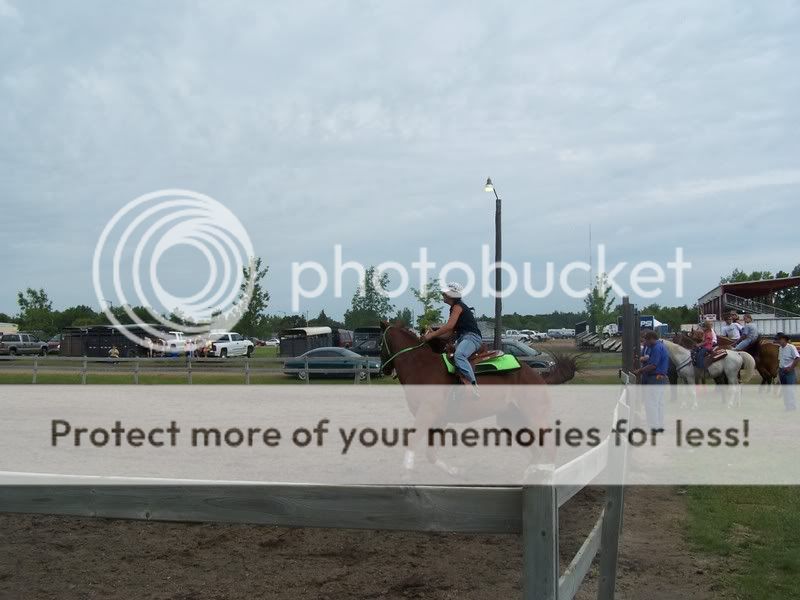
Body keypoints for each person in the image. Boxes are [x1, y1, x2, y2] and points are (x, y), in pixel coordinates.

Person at [422, 282, 482, 394]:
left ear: (451, 295)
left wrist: (432, 335)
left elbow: (449, 326)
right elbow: (448, 334)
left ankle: (472, 383)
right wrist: (434, 334)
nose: (442, 294)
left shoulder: (458, 307)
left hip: (472, 338)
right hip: (464, 338)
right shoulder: (454, 308)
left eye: (444, 293)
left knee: (459, 355)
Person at [634, 330, 669, 432]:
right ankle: (659, 425)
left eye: (646, 340)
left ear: (651, 339)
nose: (645, 343)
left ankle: (654, 426)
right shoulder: (656, 347)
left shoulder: (656, 348)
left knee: (651, 403)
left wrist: (640, 371)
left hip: (655, 378)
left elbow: (653, 365)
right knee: (659, 403)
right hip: (660, 378)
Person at [777, 333, 799, 411]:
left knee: (790, 390)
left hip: (789, 371)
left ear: (785, 340)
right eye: (778, 339)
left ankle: (792, 407)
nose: (778, 341)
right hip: (781, 371)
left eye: (780, 339)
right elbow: (780, 360)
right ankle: (787, 406)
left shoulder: (791, 347)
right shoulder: (780, 348)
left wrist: (790, 368)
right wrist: (778, 370)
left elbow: (797, 358)